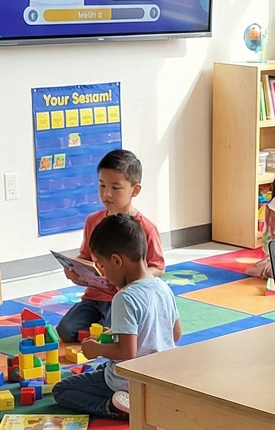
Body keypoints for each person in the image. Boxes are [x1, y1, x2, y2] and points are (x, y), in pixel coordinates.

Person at [52, 213, 181, 419]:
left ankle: (116, 407)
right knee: (104, 368)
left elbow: (127, 351)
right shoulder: (163, 287)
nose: (102, 273)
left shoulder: (124, 297)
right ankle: (143, 399)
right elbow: (175, 334)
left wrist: (96, 349)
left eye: (102, 266)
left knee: (62, 390)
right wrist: (116, 333)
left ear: (117, 261)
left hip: (129, 380)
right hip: (159, 376)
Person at [57, 149, 165, 343]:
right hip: (95, 296)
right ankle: (101, 323)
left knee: (117, 337)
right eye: (101, 185)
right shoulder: (93, 221)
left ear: (135, 190)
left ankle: (106, 325)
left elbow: (158, 267)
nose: (107, 194)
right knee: (65, 330)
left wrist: (135, 279)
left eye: (116, 187)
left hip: (125, 297)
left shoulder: (145, 228)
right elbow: (86, 256)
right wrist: (74, 268)